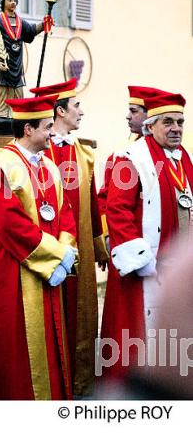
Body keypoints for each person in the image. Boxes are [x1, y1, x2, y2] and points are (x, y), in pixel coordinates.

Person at [0, 95, 78, 400]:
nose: (51, 133)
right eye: (46, 127)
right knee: (18, 355)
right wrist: (54, 256)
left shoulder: (50, 168)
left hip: (47, 270)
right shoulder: (0, 166)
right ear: (28, 130)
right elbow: (7, 223)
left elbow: (64, 213)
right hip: (14, 274)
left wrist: (65, 255)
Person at [100, 91, 193, 380]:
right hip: (144, 268)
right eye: (168, 121)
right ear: (150, 125)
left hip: (175, 268)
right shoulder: (130, 158)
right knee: (135, 340)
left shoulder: (183, 159)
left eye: (180, 121)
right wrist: (144, 261)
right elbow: (116, 211)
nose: (176, 128)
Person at [30, 78, 109, 396]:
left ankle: (82, 382)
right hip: (50, 247)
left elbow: (91, 200)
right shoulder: (38, 149)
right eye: (76, 106)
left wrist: (98, 247)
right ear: (59, 111)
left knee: (82, 311)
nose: (82, 112)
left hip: (82, 250)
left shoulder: (84, 153)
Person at [98, 85, 167, 239]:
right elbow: (105, 201)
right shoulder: (119, 155)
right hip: (128, 243)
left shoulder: (173, 156)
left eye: (134, 111)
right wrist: (107, 237)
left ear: (150, 115)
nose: (128, 116)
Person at [0, 0, 54, 117]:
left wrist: (44, 24)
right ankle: (3, 114)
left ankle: (18, 112)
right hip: (3, 65)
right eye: (10, 0)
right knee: (4, 92)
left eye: (15, 0)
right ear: (4, 3)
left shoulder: (20, 22)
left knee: (19, 94)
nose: (13, 2)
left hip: (17, 65)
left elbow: (31, 31)